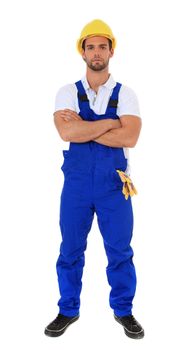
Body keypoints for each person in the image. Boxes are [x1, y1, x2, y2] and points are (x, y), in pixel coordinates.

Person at [45, 19, 144, 339]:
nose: (97, 52)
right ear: (82, 52)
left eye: (103, 46)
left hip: (114, 186)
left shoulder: (126, 94)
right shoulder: (66, 92)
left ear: (111, 51)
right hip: (75, 187)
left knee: (120, 250)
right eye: (91, 47)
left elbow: (130, 137)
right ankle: (68, 309)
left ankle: (124, 310)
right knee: (70, 249)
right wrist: (112, 123)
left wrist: (87, 128)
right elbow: (66, 131)